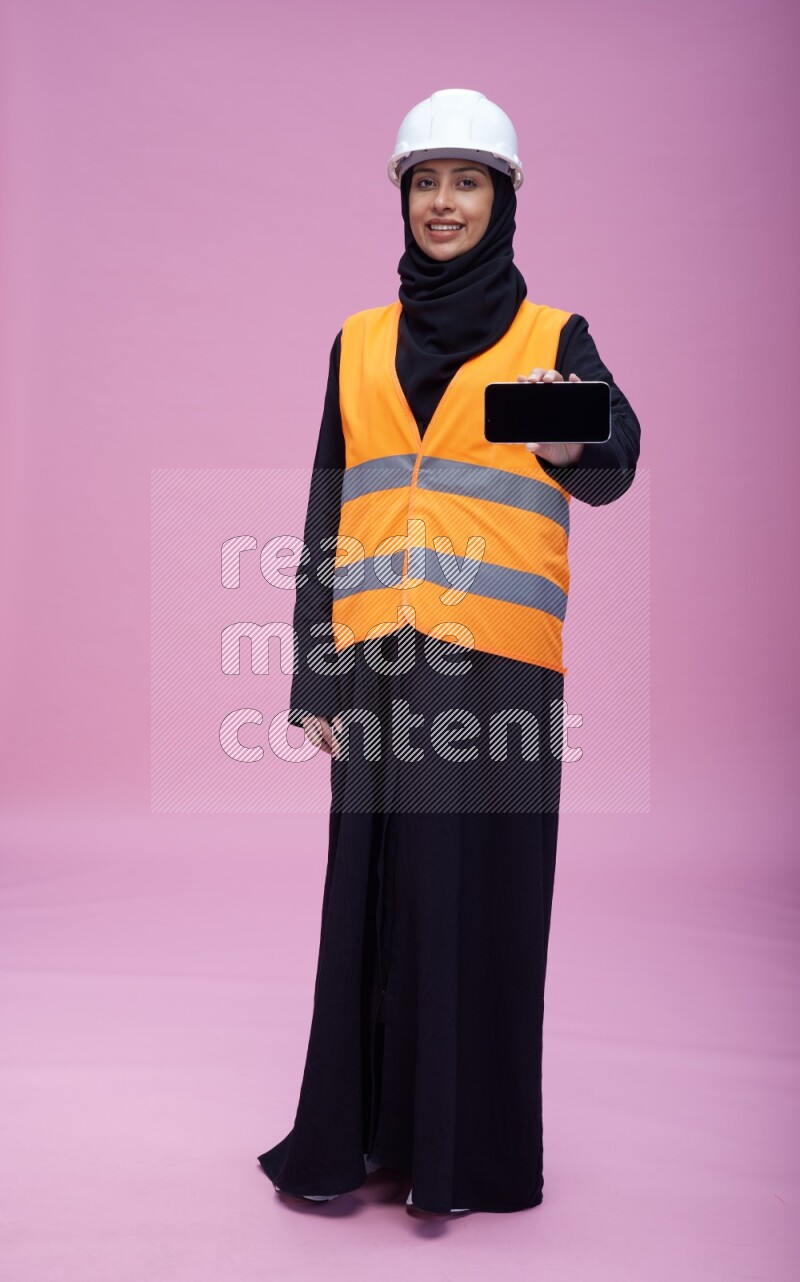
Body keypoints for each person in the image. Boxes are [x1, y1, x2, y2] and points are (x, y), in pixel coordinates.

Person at [257, 88, 641, 1216]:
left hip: (495, 671)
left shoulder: (546, 339)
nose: (442, 202)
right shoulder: (359, 344)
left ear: (502, 197)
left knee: (473, 899)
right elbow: (328, 512)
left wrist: (574, 434)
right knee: (372, 898)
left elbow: (607, 457)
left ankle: (463, 1155)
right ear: (402, 197)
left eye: (466, 181)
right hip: (374, 664)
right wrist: (310, 671)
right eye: (424, 182)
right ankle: (363, 1139)